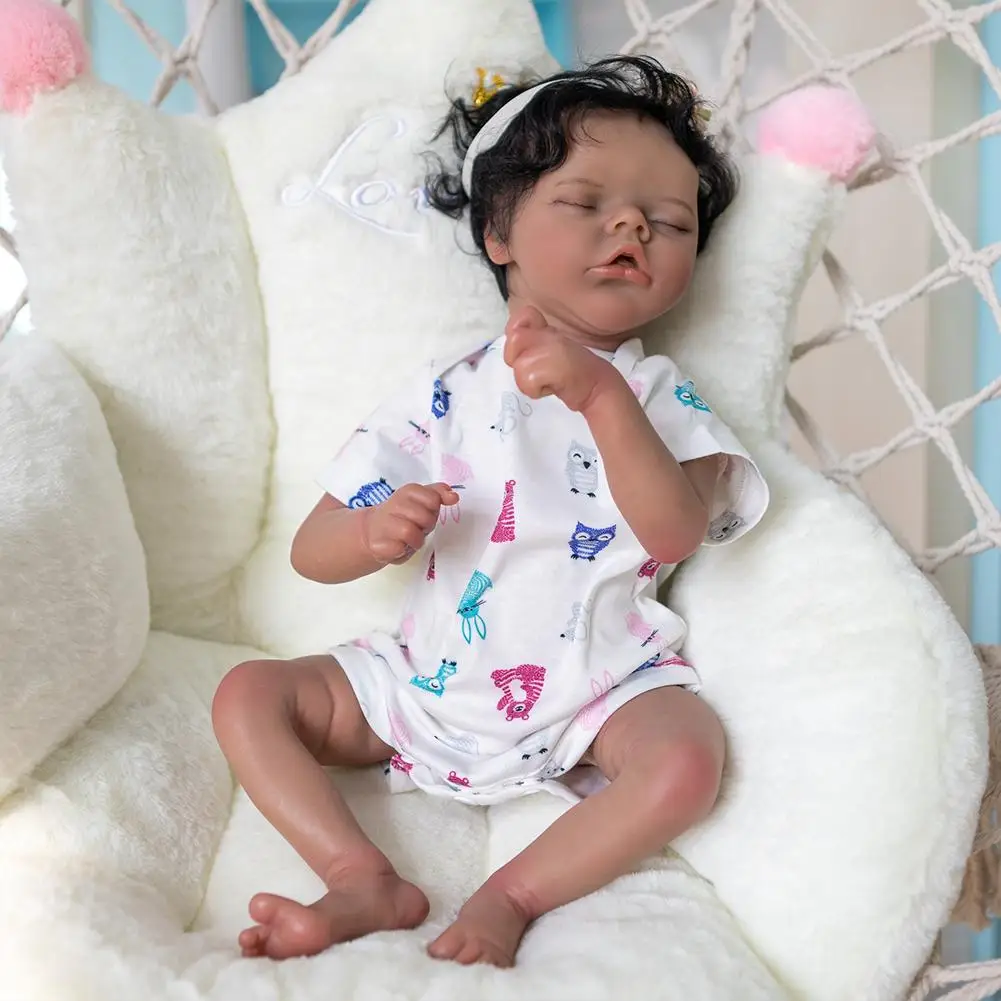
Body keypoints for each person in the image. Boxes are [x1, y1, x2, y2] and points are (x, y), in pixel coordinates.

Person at [211, 54, 769, 968]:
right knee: (248, 694)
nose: (631, 224)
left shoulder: (656, 393)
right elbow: (312, 550)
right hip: (422, 684)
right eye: (585, 202)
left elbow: (673, 530)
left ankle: (512, 892)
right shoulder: (446, 392)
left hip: (599, 687)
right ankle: (358, 875)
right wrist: (372, 530)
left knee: (687, 757)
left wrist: (600, 398)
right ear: (498, 233)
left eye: (669, 221)